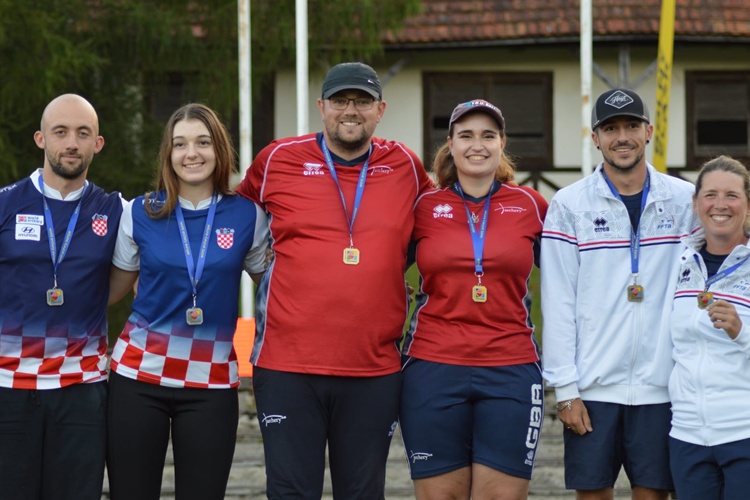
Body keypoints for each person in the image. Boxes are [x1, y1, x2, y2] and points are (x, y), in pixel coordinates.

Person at [235, 61, 433, 498]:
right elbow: (231, 220)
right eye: (340, 100)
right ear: (321, 106)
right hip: (287, 366)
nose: (351, 110)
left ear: (380, 109)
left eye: (362, 101)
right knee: (290, 493)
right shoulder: (277, 159)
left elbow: (436, 230)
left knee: (362, 493)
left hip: (373, 368)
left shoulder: (404, 164)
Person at [540, 88, 698, 499]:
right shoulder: (568, 204)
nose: (622, 137)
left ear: (649, 132)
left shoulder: (685, 200)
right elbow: (557, 302)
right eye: (610, 129)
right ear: (595, 138)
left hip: (664, 388)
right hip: (592, 389)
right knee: (593, 494)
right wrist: (565, 391)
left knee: (653, 494)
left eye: (631, 126)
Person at [106, 103, 269, 500]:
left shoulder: (248, 216)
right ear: (168, 153)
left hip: (211, 383)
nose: (191, 153)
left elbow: (274, 291)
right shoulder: (139, 212)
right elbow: (109, 292)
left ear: (220, 150)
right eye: (180, 144)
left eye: (202, 142)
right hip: (137, 378)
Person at [399, 99, 548, 499]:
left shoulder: (531, 205)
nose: (477, 145)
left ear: (502, 144)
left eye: (488, 136)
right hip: (432, 366)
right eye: (465, 136)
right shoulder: (423, 207)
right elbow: (382, 269)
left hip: (511, 367)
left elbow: (572, 281)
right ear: (450, 144)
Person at [0, 93, 123, 499]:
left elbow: (136, 274)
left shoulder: (116, 211)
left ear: (97, 144)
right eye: (61, 132)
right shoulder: (5, 204)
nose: (72, 143)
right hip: (8, 387)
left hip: (81, 389)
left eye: (83, 133)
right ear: (41, 139)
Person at [668, 155, 750, 500]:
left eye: (732, 195)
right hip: (687, 435)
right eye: (710, 195)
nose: (720, 205)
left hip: (743, 432)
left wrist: (741, 332)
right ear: (695, 203)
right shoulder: (679, 262)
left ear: (748, 204)